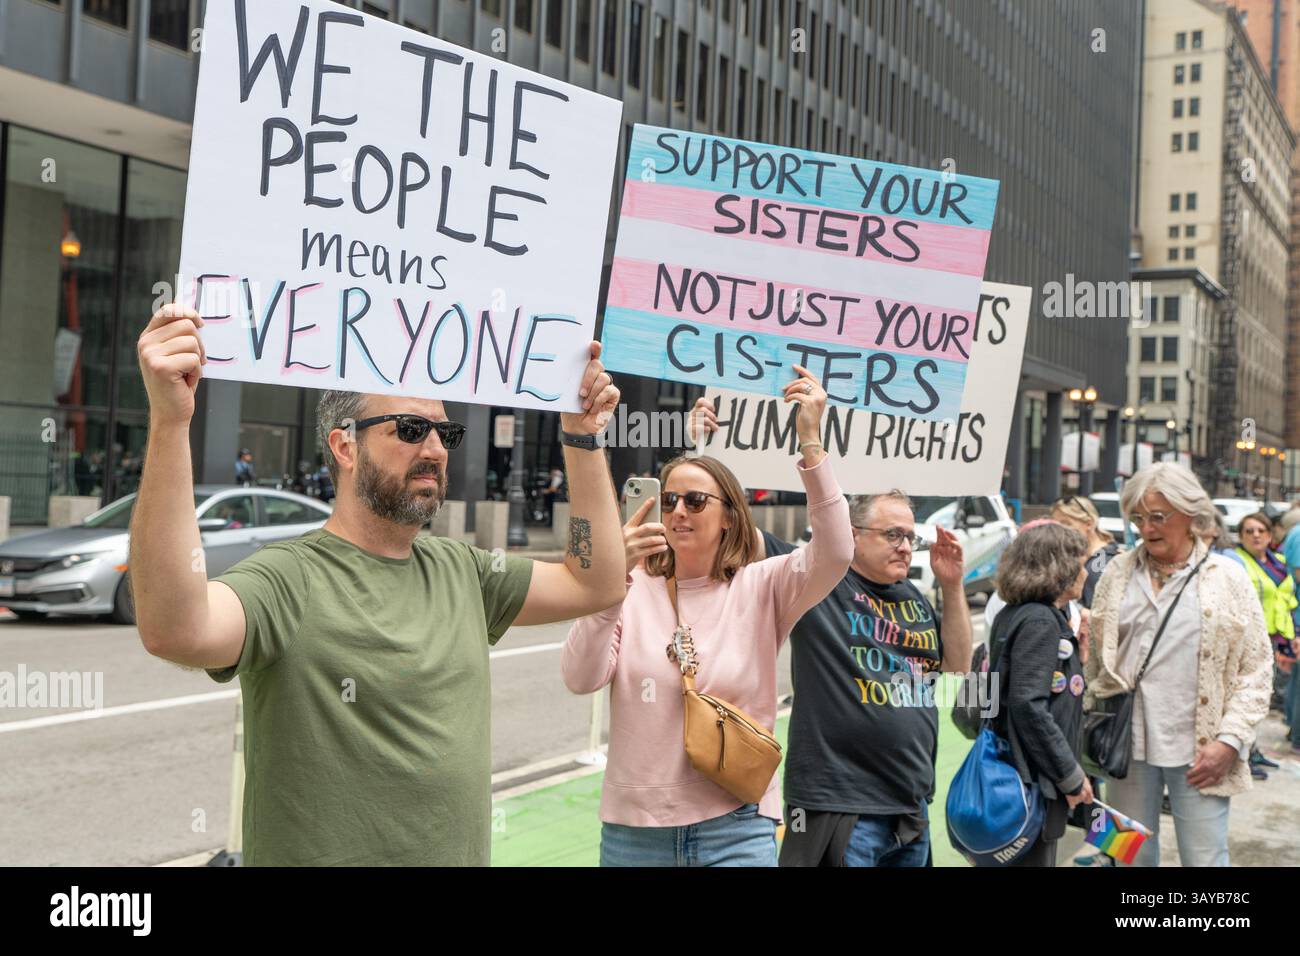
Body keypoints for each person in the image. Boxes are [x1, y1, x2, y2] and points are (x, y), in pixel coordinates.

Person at [131, 303, 628, 865]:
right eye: (413, 429)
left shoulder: (463, 571)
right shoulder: (289, 577)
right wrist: (170, 422)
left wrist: (582, 439)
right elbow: (175, 628)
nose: (437, 449)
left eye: (446, 432)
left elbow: (596, 585)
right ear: (345, 447)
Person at [562, 370, 853, 867]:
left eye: (696, 501)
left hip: (735, 827)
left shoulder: (762, 585)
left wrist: (810, 440)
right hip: (636, 835)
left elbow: (836, 552)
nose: (679, 511)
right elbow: (580, 677)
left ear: (729, 517)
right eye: (670, 500)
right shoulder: (629, 590)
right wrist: (612, 583)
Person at [765, 490, 972, 867]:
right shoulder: (816, 582)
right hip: (842, 807)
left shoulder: (912, 595)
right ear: (851, 534)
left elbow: (957, 663)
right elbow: (734, 524)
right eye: (893, 535)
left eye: (910, 537)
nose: (905, 547)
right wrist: (689, 438)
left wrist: (953, 585)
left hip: (909, 810)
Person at [1085, 463, 1273, 866]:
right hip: (1120, 746)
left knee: (1205, 858)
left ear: (1190, 514)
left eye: (1157, 516)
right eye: (1137, 517)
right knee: (1121, 857)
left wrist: (1231, 741)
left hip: (1202, 752)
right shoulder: (1116, 572)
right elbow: (1096, 666)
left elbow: (1256, 669)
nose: (1145, 528)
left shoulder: (1228, 576)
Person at [987, 522, 1094, 867]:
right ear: (1059, 567)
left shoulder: (1015, 614)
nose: (1085, 571)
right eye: (1080, 562)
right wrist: (1071, 775)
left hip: (1018, 773)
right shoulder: (1041, 621)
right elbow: (1028, 704)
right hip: (1033, 780)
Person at [1235, 512, 1298, 734]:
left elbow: (1290, 597)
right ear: (1240, 536)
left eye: (1261, 531)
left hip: (1278, 636)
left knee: (1268, 693)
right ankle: (1245, 748)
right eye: (1249, 531)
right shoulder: (1236, 562)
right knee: (1248, 693)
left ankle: (1253, 748)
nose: (1256, 535)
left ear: (1270, 535)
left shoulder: (1279, 563)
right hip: (1248, 637)